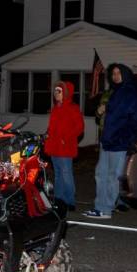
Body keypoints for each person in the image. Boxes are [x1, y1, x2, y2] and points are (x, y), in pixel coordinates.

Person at [83, 63, 137, 219]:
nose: (115, 76)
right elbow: (106, 116)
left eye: (119, 73)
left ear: (126, 74)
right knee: (100, 174)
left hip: (119, 143)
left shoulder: (131, 93)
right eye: (113, 73)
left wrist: (128, 139)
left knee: (113, 176)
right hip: (107, 140)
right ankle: (99, 207)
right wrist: (100, 111)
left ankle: (106, 209)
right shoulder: (114, 93)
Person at [44, 81, 84, 213]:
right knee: (58, 175)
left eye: (59, 91)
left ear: (65, 93)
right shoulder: (56, 108)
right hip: (54, 147)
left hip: (65, 148)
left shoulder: (73, 108)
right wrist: (47, 136)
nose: (56, 93)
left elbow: (79, 127)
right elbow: (52, 128)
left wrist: (65, 139)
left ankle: (69, 201)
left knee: (66, 174)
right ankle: (59, 199)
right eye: (55, 91)